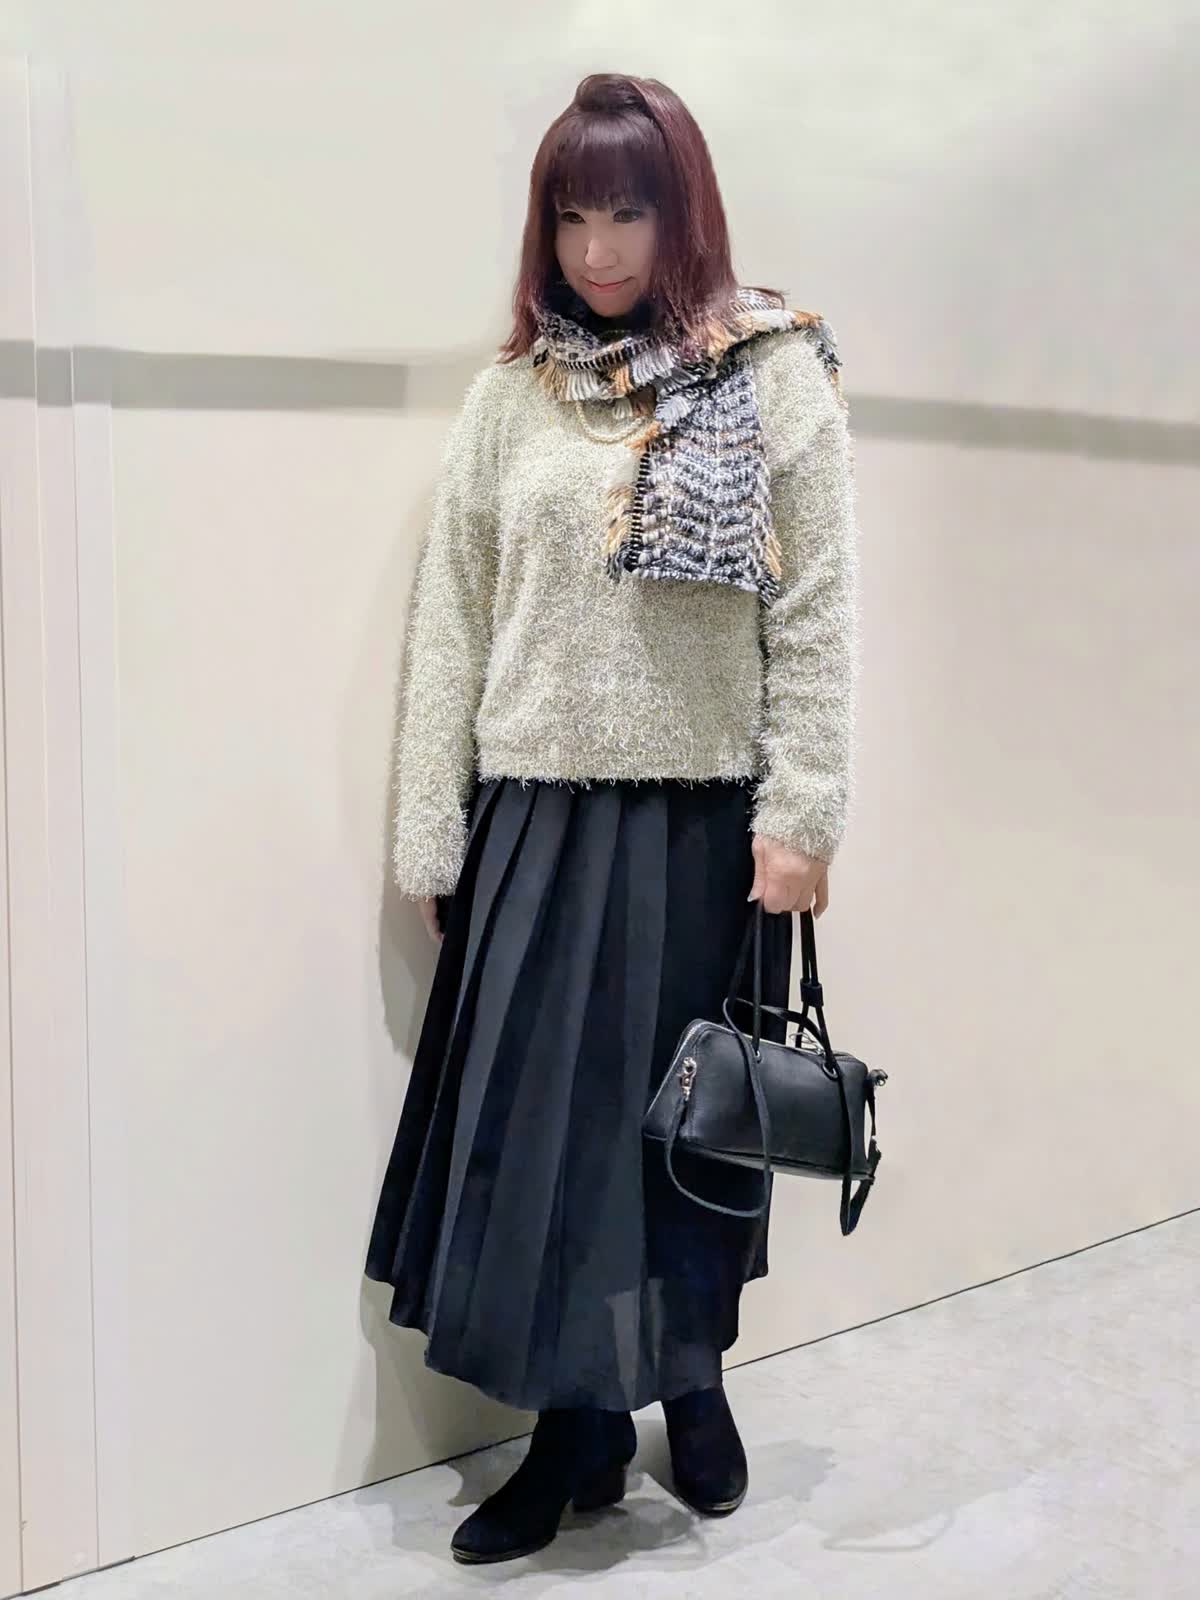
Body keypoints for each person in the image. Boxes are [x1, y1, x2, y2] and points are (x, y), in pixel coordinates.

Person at [364, 70, 859, 1566]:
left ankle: (691, 1384)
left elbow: (817, 610)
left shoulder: (768, 374)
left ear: (681, 210)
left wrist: (804, 813)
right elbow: (453, 617)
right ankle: (574, 1431)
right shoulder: (509, 398)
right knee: (544, 1147)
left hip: (701, 828)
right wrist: (433, 828)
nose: (597, 249)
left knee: (686, 1131)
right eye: (573, 216)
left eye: (628, 212)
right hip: (535, 818)